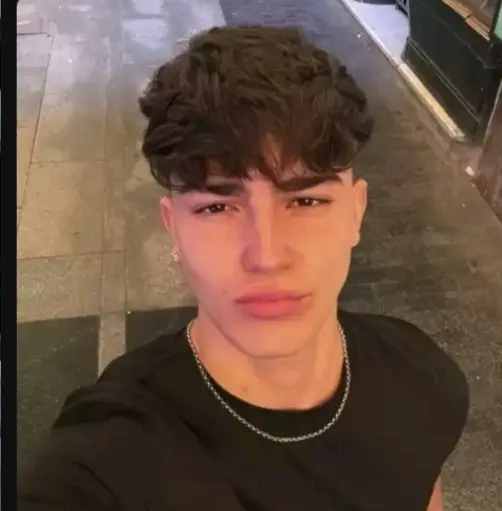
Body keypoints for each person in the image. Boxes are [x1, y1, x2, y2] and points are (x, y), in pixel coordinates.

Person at [18, 25, 469, 511]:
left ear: (355, 214)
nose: (267, 256)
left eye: (306, 200)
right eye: (216, 207)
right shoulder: (105, 461)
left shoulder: (422, 378)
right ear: (173, 229)